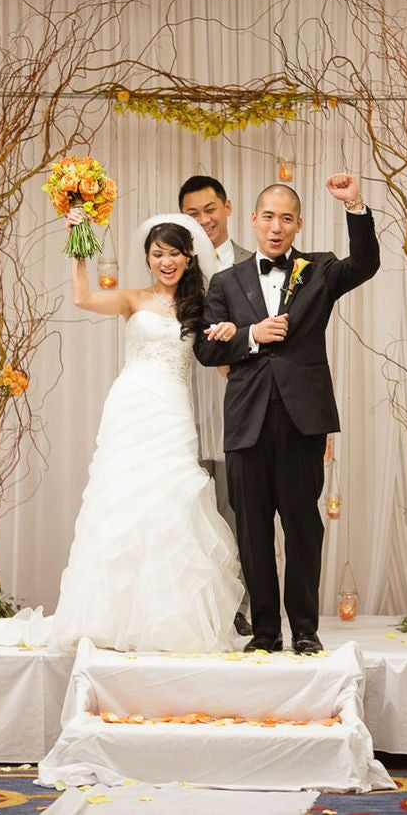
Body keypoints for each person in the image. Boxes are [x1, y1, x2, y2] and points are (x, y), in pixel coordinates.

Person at [194, 174, 380, 655]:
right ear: (253, 220)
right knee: (252, 531)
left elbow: (365, 262)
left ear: (299, 225)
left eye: (287, 219)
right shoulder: (224, 281)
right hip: (246, 419)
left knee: (303, 527)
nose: (277, 227)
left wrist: (354, 205)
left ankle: (304, 630)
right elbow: (205, 349)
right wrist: (253, 335)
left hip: (303, 419)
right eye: (269, 217)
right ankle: (264, 633)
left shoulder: (318, 270)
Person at [50, 213, 244, 653]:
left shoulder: (202, 307)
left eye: (174, 253)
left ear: (189, 256)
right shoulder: (132, 299)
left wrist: (232, 335)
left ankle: (167, 620)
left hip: (173, 410)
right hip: (130, 405)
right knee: (122, 498)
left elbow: (222, 363)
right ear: (148, 259)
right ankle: (111, 617)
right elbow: (81, 298)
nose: (166, 261)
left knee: (170, 500)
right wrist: (78, 243)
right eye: (158, 254)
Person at [179, 175, 253, 636]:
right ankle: (194, 607)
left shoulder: (255, 261)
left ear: (227, 206)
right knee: (190, 506)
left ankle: (242, 606)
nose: (205, 220)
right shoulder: (176, 266)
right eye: (193, 214)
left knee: (240, 506)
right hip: (187, 396)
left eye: (211, 209)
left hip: (242, 395)